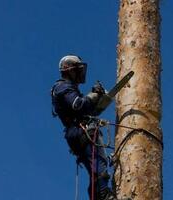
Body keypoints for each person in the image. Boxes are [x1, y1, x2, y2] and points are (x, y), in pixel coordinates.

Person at [51, 55, 121, 200]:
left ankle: (97, 197)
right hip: (81, 131)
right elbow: (78, 105)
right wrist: (93, 95)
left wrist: (99, 100)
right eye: (78, 70)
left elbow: (85, 109)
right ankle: (104, 196)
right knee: (99, 166)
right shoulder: (63, 87)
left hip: (76, 134)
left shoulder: (65, 88)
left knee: (94, 171)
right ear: (69, 70)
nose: (80, 73)